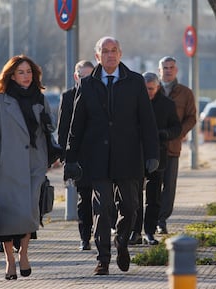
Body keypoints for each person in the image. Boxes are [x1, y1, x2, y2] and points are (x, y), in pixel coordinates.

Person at [64, 36, 159, 275]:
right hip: (97, 158)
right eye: (104, 51)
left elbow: (147, 122)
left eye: (113, 50)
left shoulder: (135, 82)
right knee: (102, 207)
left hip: (128, 157)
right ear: (97, 56)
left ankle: (123, 242)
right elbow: (77, 125)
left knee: (130, 207)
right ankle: (103, 259)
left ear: (120, 53)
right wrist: (71, 158)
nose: (109, 55)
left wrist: (152, 154)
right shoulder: (87, 84)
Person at [0, 54, 52, 280]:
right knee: (8, 217)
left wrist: (52, 154)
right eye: (21, 72)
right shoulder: (0, 101)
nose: (26, 76)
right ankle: (10, 259)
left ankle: (25, 254)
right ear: (11, 75)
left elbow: (48, 130)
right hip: (6, 166)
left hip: (34, 163)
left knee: (30, 211)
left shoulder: (40, 99)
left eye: (29, 72)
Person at [129, 72, 181, 246]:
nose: (148, 93)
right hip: (135, 154)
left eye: (151, 89)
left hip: (158, 154)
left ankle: (150, 231)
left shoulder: (167, 105)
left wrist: (165, 134)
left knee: (154, 196)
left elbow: (176, 127)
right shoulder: (133, 102)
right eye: (145, 89)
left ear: (158, 87)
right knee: (134, 196)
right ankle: (135, 232)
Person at [156, 56, 196, 234]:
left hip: (172, 147)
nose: (168, 70)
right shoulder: (151, 90)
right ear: (159, 70)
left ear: (176, 70)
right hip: (151, 147)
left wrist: (178, 134)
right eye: (165, 67)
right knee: (151, 185)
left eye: (171, 67)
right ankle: (148, 218)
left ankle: (162, 220)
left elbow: (192, 117)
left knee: (169, 186)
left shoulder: (185, 93)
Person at [57, 60, 95, 251]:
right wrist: (65, 157)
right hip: (79, 158)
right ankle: (85, 237)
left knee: (104, 199)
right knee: (84, 199)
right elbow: (63, 129)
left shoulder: (101, 94)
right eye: (82, 77)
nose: (85, 80)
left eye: (89, 76)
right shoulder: (68, 97)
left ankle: (104, 232)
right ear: (75, 77)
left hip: (99, 155)